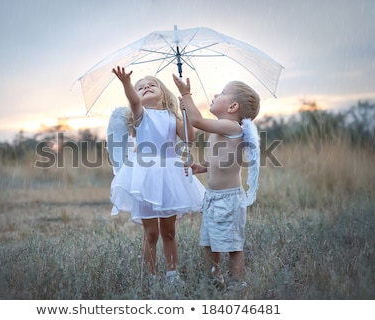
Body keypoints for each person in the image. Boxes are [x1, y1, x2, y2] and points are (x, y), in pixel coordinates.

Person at [109, 66, 206, 285]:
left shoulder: (173, 117)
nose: (145, 88)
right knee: (151, 232)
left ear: (163, 92)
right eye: (140, 87)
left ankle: (172, 275)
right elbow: (134, 101)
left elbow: (190, 138)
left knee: (169, 231)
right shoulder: (140, 115)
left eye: (151, 85)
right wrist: (126, 83)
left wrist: (186, 111)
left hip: (170, 176)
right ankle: (149, 278)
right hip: (145, 177)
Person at [173, 74, 261, 291]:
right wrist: (201, 167)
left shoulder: (232, 128)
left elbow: (197, 121)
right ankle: (214, 279)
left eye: (221, 93)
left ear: (232, 107)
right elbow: (218, 161)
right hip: (212, 197)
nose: (215, 95)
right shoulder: (221, 129)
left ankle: (238, 283)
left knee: (232, 245)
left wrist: (186, 94)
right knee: (210, 243)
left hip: (228, 199)